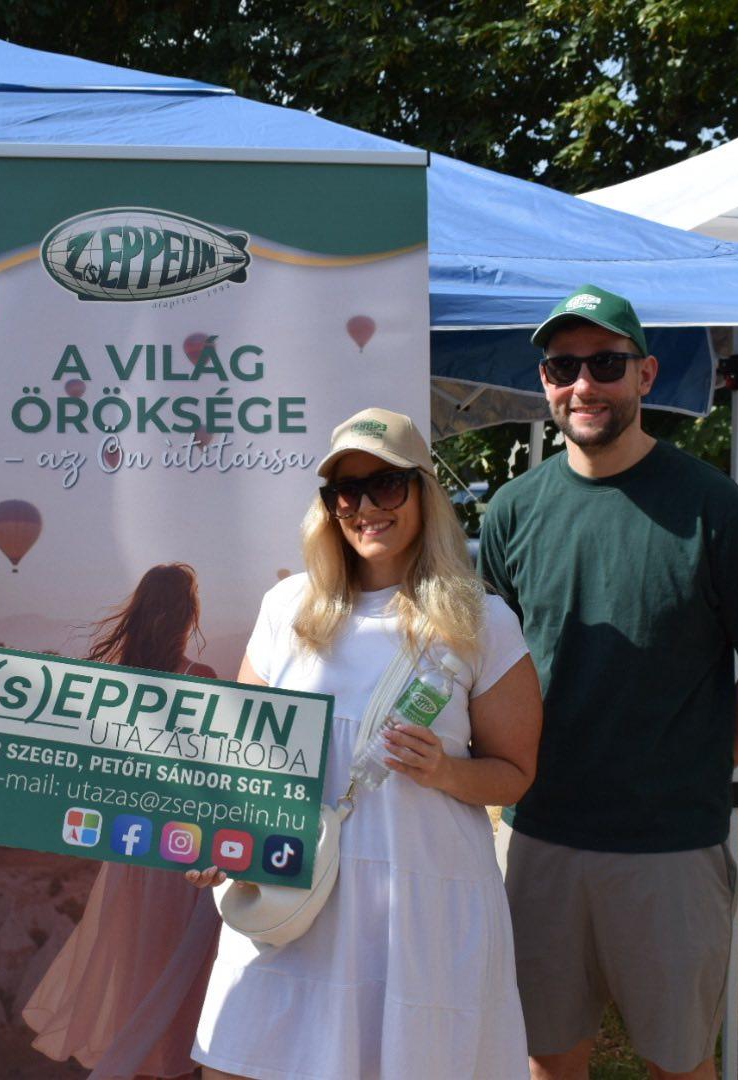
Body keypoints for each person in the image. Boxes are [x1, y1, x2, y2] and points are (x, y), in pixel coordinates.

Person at [478, 284, 738, 1080]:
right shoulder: (513, 512)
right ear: (546, 383)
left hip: (669, 846)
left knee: (679, 1061)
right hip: (543, 833)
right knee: (549, 1056)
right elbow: (490, 667)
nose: (583, 384)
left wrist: (697, 761)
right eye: (563, 366)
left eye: (605, 364)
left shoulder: (712, 506)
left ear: (647, 375)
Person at [188, 407, 543, 1079]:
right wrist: (223, 835)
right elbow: (239, 757)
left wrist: (446, 772)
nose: (364, 507)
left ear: (423, 494)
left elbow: (516, 773)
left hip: (419, 912)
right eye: (344, 492)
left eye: (386, 486)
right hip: (294, 903)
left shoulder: (480, 620)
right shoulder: (287, 609)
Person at [23, 563, 222, 1079]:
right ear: (187, 616)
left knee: (135, 975)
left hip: (131, 851)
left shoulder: (113, 682)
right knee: (181, 978)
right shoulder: (200, 680)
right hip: (184, 852)